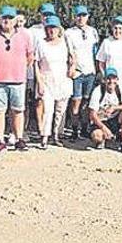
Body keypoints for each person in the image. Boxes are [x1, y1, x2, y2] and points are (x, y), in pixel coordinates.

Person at [0, 6, 35, 154]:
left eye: (10, 18)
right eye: (4, 17)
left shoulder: (24, 35)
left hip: (18, 79)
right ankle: (0, 141)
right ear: (0, 19)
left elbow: (30, 56)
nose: (7, 21)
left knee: (18, 110)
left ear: (15, 20)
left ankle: (19, 139)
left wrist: (19, 68)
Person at [35, 15, 74, 148]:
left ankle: (57, 135)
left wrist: (72, 68)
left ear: (59, 29)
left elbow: (73, 57)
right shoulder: (41, 43)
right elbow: (36, 64)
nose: (51, 31)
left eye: (54, 28)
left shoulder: (65, 41)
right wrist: (39, 82)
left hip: (63, 79)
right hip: (47, 79)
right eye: (49, 28)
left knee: (61, 110)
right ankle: (44, 137)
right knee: (48, 109)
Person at [64, 5, 99, 140]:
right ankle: (74, 130)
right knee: (75, 102)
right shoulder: (69, 33)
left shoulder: (93, 32)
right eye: (78, 15)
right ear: (74, 17)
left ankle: (84, 128)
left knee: (86, 101)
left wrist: (96, 70)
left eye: (83, 15)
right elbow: (69, 52)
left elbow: (95, 52)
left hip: (90, 71)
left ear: (87, 17)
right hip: (77, 72)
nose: (81, 18)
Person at [25, 3, 56, 136]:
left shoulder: (57, 29)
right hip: (34, 71)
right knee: (36, 100)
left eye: (49, 14)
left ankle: (47, 128)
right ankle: (38, 127)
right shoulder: (33, 30)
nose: (46, 17)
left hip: (50, 73)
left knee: (49, 102)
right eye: (45, 14)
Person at [88, 67, 122, 153]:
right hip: (101, 120)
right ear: (104, 80)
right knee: (96, 136)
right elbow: (92, 114)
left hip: (115, 120)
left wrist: (115, 108)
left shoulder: (120, 90)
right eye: (108, 79)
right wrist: (103, 127)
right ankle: (103, 139)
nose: (111, 81)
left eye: (114, 79)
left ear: (117, 80)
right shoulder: (98, 91)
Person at [95, 15, 122, 89]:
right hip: (111, 81)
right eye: (115, 28)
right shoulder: (106, 42)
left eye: (120, 28)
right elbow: (101, 63)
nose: (117, 31)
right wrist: (105, 76)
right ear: (112, 29)